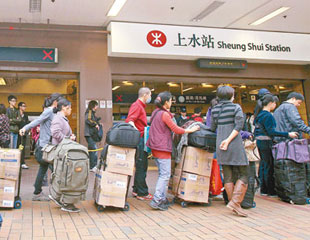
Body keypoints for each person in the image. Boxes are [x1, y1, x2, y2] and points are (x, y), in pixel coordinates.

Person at [147, 91, 200, 211]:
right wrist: (190, 130)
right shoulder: (165, 115)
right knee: (164, 175)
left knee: (162, 173)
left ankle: (162, 198)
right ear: (166, 102)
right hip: (162, 147)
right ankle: (157, 200)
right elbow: (176, 129)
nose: (171, 103)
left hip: (155, 146)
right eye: (170, 101)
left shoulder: (155, 112)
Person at [210, 85, 249, 217]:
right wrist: (228, 140)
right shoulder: (235, 107)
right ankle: (235, 203)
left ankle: (233, 204)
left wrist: (224, 140)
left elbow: (212, 127)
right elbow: (239, 125)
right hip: (234, 142)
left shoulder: (215, 109)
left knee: (228, 175)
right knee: (244, 173)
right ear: (231, 96)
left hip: (220, 143)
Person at [19, 93, 62, 201]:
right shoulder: (48, 111)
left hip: (47, 147)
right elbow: (37, 121)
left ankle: (38, 192)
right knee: (56, 169)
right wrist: (25, 128)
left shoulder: (53, 112)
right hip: (45, 148)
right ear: (55, 102)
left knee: (44, 169)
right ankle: (58, 192)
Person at [254, 94, 298, 196]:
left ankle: (264, 189)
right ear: (271, 103)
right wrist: (288, 134)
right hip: (266, 142)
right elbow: (271, 132)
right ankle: (270, 190)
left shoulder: (259, 115)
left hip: (260, 142)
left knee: (264, 165)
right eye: (274, 103)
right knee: (269, 166)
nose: (275, 105)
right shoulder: (268, 115)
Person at [49, 98, 80, 213]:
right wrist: (68, 138)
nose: (71, 110)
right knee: (65, 176)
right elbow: (55, 133)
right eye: (69, 108)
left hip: (64, 151)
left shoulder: (63, 119)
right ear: (64, 107)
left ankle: (58, 197)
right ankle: (66, 203)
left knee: (62, 175)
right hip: (61, 152)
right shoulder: (58, 118)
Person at [125, 87, 153, 200]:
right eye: (150, 95)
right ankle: (142, 192)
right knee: (142, 166)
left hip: (141, 138)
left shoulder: (140, 106)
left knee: (140, 165)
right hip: (140, 139)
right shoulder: (137, 105)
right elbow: (130, 120)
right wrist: (137, 132)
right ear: (145, 95)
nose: (150, 97)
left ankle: (137, 190)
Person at [84, 100, 101, 172]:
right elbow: (88, 120)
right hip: (89, 134)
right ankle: (92, 166)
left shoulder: (92, 113)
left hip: (91, 134)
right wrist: (95, 124)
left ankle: (92, 166)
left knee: (92, 150)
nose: (97, 107)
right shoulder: (89, 112)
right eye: (96, 105)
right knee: (94, 150)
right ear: (93, 106)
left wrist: (98, 122)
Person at [17, 102, 30, 169]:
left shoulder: (26, 116)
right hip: (17, 134)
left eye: (25, 106)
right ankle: (17, 162)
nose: (25, 107)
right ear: (19, 107)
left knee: (22, 148)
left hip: (23, 135)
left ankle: (22, 162)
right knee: (17, 148)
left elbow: (27, 124)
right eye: (23, 106)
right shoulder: (16, 114)